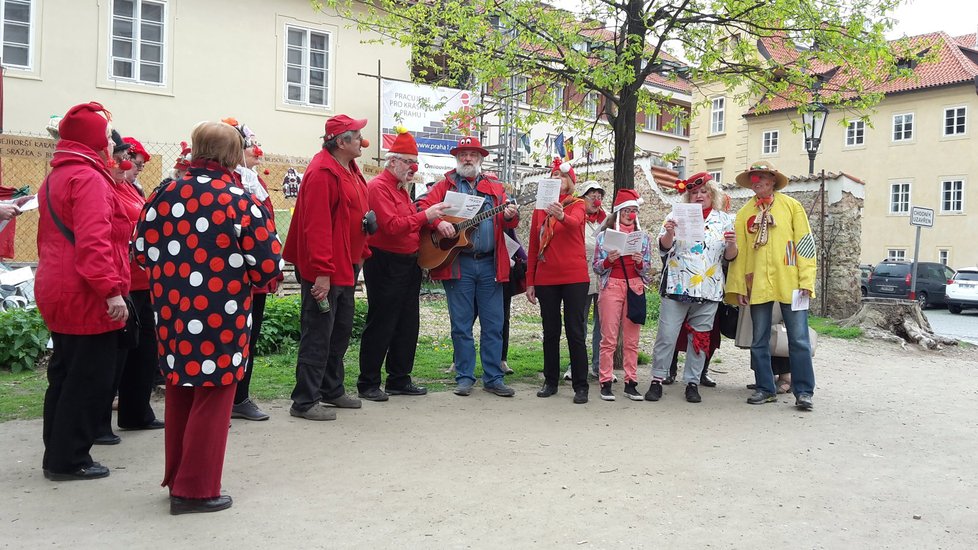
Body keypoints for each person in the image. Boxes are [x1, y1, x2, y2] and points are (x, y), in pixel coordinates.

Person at [133, 120, 282, 514]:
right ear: (233, 155)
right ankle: (195, 490)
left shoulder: (165, 191)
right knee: (214, 397)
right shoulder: (238, 198)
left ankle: (178, 478)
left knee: (181, 390)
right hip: (222, 314)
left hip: (172, 312)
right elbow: (268, 266)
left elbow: (141, 250)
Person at [36, 102, 131, 481]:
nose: (111, 144)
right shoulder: (88, 179)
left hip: (59, 285)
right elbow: (94, 244)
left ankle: (57, 452)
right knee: (87, 377)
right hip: (85, 292)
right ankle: (70, 458)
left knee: (64, 373)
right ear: (93, 139)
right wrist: (111, 291)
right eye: (107, 137)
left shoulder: (59, 175)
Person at [415, 137, 520, 397]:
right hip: (458, 263)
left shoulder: (495, 187)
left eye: (472, 154)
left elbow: (510, 222)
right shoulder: (444, 184)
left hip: (489, 264)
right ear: (457, 158)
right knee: (461, 325)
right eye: (463, 154)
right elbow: (420, 207)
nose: (467, 159)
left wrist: (511, 215)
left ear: (481, 158)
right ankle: (464, 376)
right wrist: (438, 225)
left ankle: (494, 377)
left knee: (493, 323)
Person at [283, 114, 372, 420]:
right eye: (357, 135)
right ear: (341, 141)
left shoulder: (349, 168)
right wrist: (322, 272)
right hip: (325, 268)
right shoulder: (322, 172)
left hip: (347, 263)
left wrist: (363, 248)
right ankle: (304, 401)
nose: (362, 140)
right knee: (319, 333)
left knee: (340, 331)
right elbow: (317, 226)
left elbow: (356, 214)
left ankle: (331, 389)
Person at [357, 129, 447, 401]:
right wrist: (426, 216)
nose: (413, 167)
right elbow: (393, 227)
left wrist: (432, 220)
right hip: (385, 261)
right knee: (382, 321)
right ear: (392, 161)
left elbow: (410, 219)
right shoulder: (378, 188)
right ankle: (369, 383)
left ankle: (399, 378)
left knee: (408, 323)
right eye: (408, 161)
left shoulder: (401, 190)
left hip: (408, 263)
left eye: (414, 161)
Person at [725, 161, 817, 410]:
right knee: (759, 339)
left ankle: (804, 391)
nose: (758, 181)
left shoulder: (792, 207)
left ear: (773, 180)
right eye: (754, 178)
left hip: (792, 283)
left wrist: (807, 280)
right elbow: (741, 254)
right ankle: (765, 388)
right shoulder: (745, 213)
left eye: (763, 177)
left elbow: (806, 244)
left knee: (799, 339)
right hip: (757, 283)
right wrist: (739, 288)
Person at [93, 133, 162, 446]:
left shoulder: (132, 189)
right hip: (125, 281)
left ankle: (136, 411)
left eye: (138, 165)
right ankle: (98, 422)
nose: (134, 168)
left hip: (144, 279)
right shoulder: (108, 189)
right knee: (119, 353)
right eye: (131, 162)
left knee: (145, 349)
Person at [646, 173, 737, 403]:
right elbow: (664, 248)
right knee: (667, 336)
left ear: (712, 195)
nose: (699, 196)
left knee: (700, 338)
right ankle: (657, 380)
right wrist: (669, 232)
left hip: (709, 287)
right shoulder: (676, 215)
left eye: (704, 192)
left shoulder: (724, 220)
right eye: (694, 192)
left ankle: (692, 382)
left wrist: (733, 243)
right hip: (678, 284)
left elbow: (729, 257)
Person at [222, 118, 283, 421]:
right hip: (238, 275)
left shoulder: (250, 181)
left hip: (254, 274)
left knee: (250, 335)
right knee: (237, 337)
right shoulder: (235, 184)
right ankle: (233, 397)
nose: (257, 150)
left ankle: (239, 396)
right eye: (249, 146)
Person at [526, 159, 590, 404]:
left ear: (570, 182)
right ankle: (550, 381)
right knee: (550, 332)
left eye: (561, 176)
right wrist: (530, 281)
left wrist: (561, 215)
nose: (556, 180)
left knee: (575, 332)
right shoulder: (539, 209)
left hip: (574, 277)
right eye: (552, 176)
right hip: (546, 277)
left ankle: (581, 386)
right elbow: (533, 245)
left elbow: (574, 225)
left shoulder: (578, 204)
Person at [592, 189, 653, 401]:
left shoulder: (643, 238)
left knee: (632, 339)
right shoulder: (603, 237)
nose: (630, 214)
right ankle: (605, 381)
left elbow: (647, 270)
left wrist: (639, 263)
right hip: (611, 286)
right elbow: (597, 268)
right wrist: (609, 260)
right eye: (627, 210)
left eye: (634, 210)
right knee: (608, 337)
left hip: (634, 287)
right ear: (618, 212)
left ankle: (631, 382)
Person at [562, 180, 608, 382]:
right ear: (583, 197)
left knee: (603, 326)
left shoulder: (607, 220)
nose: (596, 200)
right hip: (581, 278)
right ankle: (576, 366)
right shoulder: (577, 217)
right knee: (578, 324)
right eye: (592, 195)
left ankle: (600, 366)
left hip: (603, 278)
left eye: (599, 196)